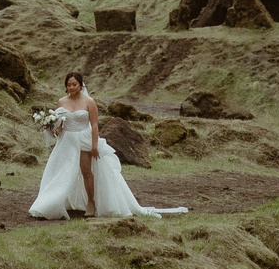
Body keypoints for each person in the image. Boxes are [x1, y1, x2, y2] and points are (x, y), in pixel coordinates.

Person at [27, 72, 186, 220]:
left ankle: (91, 203)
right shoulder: (62, 102)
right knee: (62, 171)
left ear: (80, 85)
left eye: (74, 84)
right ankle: (54, 202)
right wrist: (51, 128)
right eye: (69, 85)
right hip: (66, 140)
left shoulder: (89, 102)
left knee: (86, 171)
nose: (71, 87)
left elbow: (95, 126)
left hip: (83, 138)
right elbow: (60, 123)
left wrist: (94, 145)